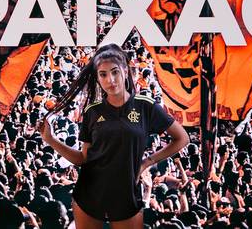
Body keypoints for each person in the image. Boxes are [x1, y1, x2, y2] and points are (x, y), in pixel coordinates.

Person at [39, 43, 189, 228]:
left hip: (127, 196)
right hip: (89, 195)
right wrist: (50, 140)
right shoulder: (92, 111)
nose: (110, 79)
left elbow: (182, 138)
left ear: (125, 71)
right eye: (103, 74)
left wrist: (147, 162)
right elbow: (83, 158)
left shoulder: (146, 106)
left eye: (115, 72)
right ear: (98, 78)